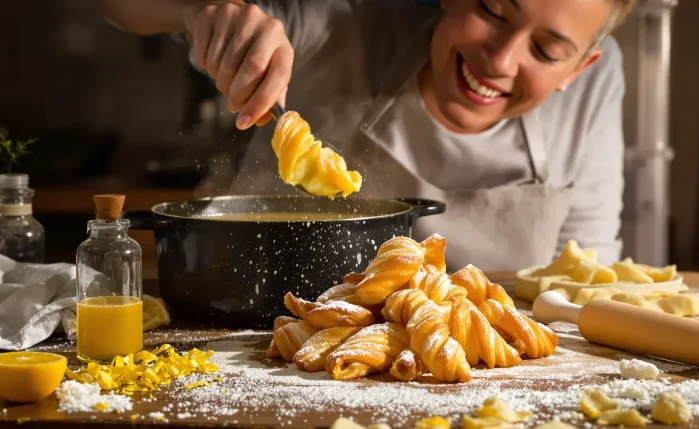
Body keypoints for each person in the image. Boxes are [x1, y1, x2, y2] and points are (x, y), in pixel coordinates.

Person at [99, 0, 636, 272]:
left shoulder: (599, 83)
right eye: (492, 9)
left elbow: (587, 269)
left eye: (545, 52)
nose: (500, 60)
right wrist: (203, 8)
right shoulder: (342, 24)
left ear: (579, 69)